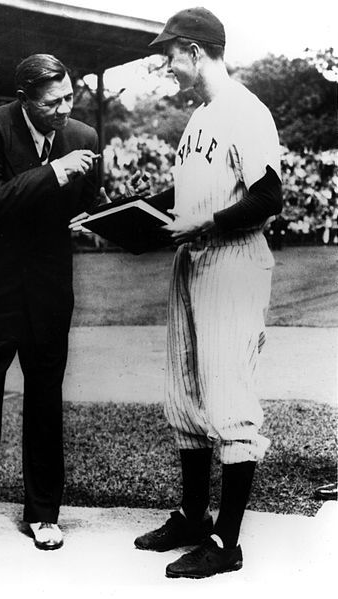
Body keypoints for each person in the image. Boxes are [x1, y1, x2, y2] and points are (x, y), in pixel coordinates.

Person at [133, 8, 282, 579]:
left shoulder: (247, 111)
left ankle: (227, 542)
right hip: (191, 262)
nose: (166, 66)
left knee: (230, 400)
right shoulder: (200, 117)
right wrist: (134, 211)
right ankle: (194, 516)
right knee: (186, 391)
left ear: (195, 50)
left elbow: (269, 196)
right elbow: (200, 184)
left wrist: (201, 226)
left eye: (170, 54)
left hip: (231, 262)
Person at [0, 53, 101, 555]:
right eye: (52, 102)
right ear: (25, 99)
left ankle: (44, 513)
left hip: (49, 292)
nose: (64, 109)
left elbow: (87, 203)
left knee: (45, 402)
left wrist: (100, 219)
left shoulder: (83, 137)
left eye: (69, 97)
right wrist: (53, 172)